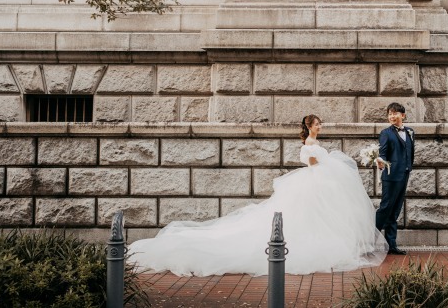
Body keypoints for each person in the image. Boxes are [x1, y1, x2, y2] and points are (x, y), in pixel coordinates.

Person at [127, 114, 388, 276]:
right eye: (317, 124)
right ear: (309, 126)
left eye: (320, 124)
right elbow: (315, 166)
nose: (320, 127)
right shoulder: (308, 145)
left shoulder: (315, 144)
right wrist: (335, 164)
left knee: (316, 219)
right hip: (314, 184)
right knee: (305, 218)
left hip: (318, 185)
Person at [375, 102, 414, 255]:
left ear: (402, 115)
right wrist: (380, 162)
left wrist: (408, 168)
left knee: (395, 210)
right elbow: (383, 153)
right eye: (390, 114)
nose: (392, 116)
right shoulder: (386, 133)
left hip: (404, 174)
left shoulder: (410, 131)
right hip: (390, 176)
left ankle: (391, 245)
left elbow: (410, 151)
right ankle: (367, 240)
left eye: (395, 113)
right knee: (385, 208)